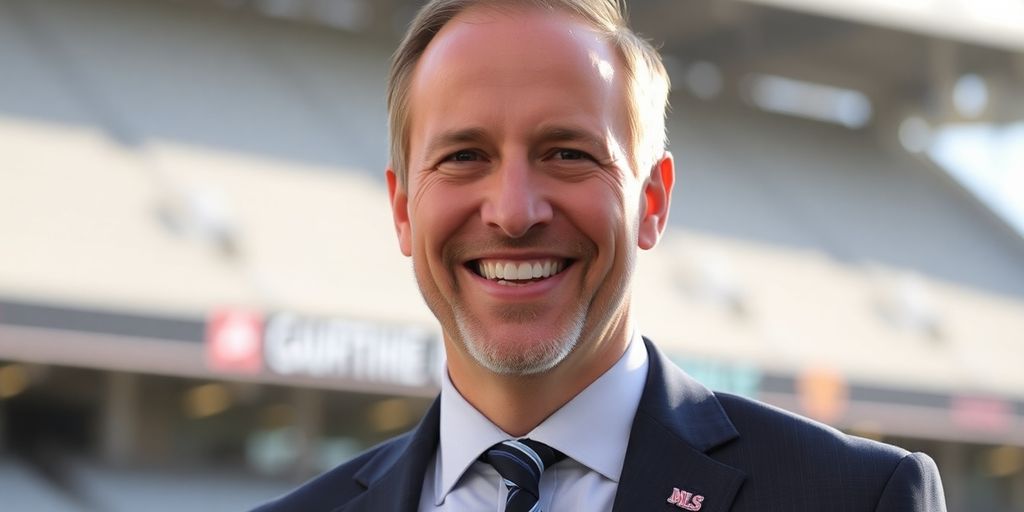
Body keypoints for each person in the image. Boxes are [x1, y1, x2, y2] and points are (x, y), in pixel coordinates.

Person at [255, 0, 947, 510]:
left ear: (652, 202)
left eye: (567, 154)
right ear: (403, 210)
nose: (514, 212)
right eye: (465, 157)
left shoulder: (856, 499)